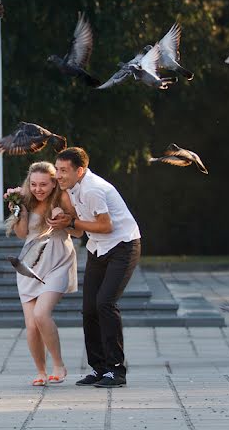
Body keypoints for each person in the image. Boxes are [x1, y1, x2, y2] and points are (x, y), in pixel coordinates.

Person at [50, 147, 141, 388]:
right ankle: (99, 369)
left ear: (79, 171)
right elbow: (79, 230)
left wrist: (71, 220)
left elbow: (106, 226)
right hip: (98, 249)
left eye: (63, 170)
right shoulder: (72, 189)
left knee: (105, 303)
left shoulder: (92, 189)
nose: (57, 175)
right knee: (89, 309)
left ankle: (116, 371)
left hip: (123, 246)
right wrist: (62, 224)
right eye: (57, 169)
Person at [5, 161, 82, 387]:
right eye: (34, 184)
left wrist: (63, 223)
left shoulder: (63, 199)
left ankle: (58, 364)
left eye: (44, 184)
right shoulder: (25, 201)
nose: (39, 189)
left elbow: (78, 232)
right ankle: (41, 371)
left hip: (58, 260)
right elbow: (21, 234)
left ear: (53, 183)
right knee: (31, 325)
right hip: (30, 264)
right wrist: (19, 212)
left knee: (41, 314)